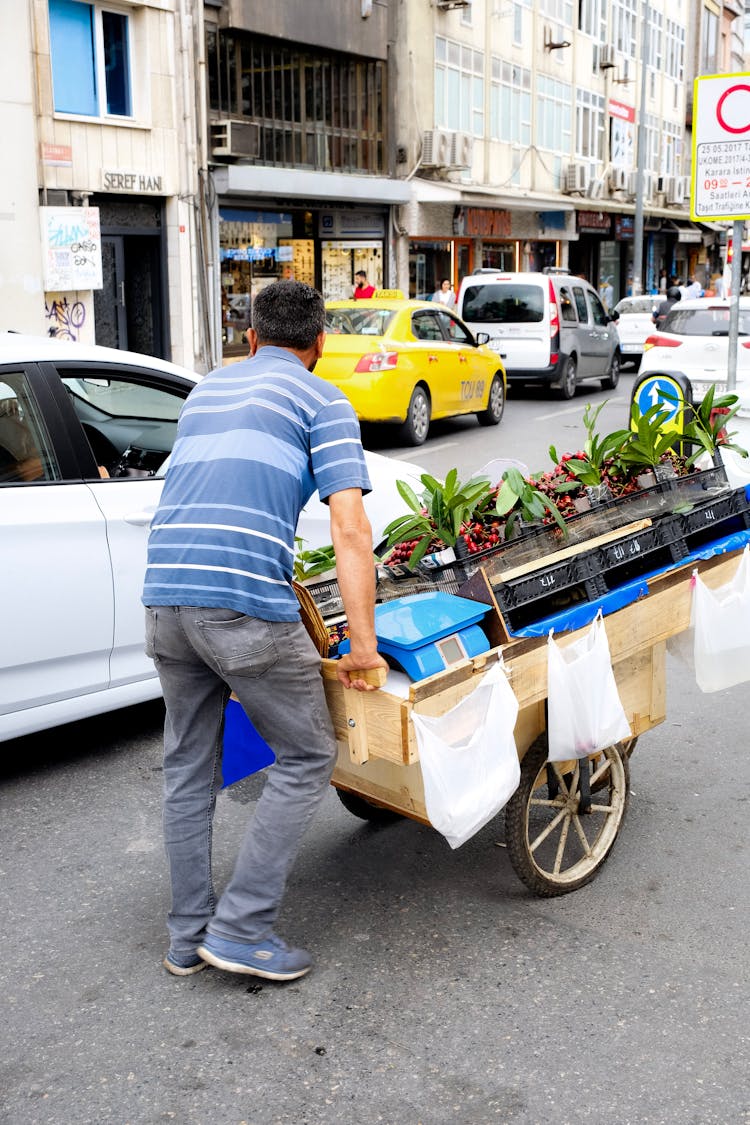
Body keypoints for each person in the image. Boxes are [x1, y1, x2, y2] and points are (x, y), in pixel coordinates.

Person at [142, 280, 388, 982]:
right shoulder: (323, 398)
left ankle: (186, 937)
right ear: (320, 345)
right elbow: (349, 526)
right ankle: (243, 927)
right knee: (308, 754)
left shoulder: (206, 391)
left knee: (188, 768)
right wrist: (361, 644)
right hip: (242, 603)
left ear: (249, 338)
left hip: (164, 597)